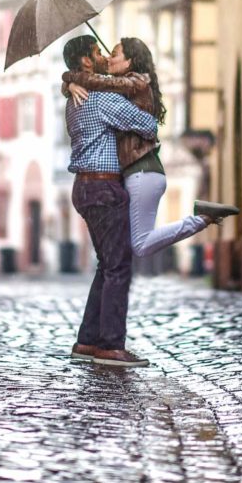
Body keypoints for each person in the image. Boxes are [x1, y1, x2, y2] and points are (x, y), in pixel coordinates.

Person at [63, 37, 239, 262]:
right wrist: (70, 82)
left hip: (142, 171)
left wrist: (72, 79)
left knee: (140, 245)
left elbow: (105, 88)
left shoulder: (134, 82)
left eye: (114, 54)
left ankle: (203, 218)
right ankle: (203, 216)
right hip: (137, 173)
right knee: (126, 245)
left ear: (130, 62)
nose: (107, 57)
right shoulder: (120, 86)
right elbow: (97, 83)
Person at [62, 35, 159, 368]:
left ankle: (88, 340)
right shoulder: (100, 99)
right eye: (97, 52)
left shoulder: (74, 98)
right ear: (87, 63)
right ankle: (111, 346)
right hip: (104, 188)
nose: (104, 56)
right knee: (118, 267)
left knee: (107, 266)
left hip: (85, 188)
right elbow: (146, 125)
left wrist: (69, 81)